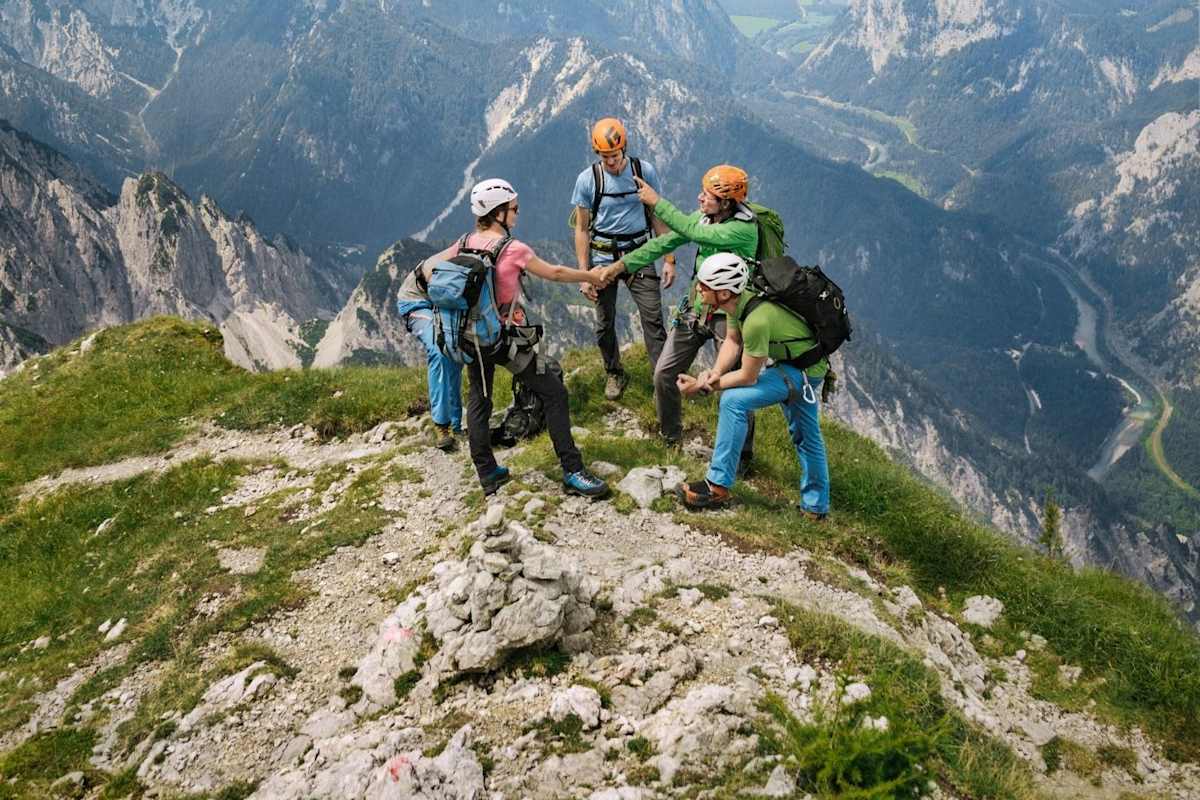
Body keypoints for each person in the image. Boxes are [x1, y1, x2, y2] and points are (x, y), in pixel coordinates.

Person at [419, 178, 612, 498]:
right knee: (554, 392)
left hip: (471, 339)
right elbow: (556, 273)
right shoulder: (513, 249)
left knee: (479, 402)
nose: (518, 214)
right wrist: (590, 275)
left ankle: (487, 474)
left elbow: (431, 273)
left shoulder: (464, 242)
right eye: (514, 209)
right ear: (498, 213)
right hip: (502, 341)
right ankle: (573, 470)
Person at [597, 165, 759, 462]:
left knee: (735, 389)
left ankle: (742, 457)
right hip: (697, 308)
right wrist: (619, 267)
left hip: (728, 315)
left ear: (726, 202)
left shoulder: (742, 229)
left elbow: (690, 231)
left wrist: (656, 202)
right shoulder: (707, 218)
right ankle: (670, 439)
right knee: (664, 373)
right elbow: (666, 241)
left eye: (707, 196)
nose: (699, 198)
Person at [673, 253, 830, 517]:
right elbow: (733, 342)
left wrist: (704, 386)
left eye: (705, 285)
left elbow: (748, 377)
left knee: (734, 401)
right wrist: (713, 373)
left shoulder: (756, 320)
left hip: (801, 371)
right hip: (803, 365)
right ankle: (815, 509)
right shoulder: (739, 301)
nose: (698, 288)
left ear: (723, 293)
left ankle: (717, 486)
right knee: (806, 436)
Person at [572, 118, 675, 400]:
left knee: (653, 320)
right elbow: (581, 228)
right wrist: (584, 274)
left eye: (615, 156)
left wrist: (669, 259)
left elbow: (658, 216)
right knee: (604, 323)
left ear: (624, 149)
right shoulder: (588, 180)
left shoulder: (644, 171)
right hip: (603, 259)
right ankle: (614, 372)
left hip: (640, 254)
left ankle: (662, 382)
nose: (611, 163)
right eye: (605, 157)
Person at [397, 264, 464, 451]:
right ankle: (442, 425)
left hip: (448, 301)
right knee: (440, 350)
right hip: (417, 301)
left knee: (456, 354)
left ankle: (456, 424)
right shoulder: (459, 252)